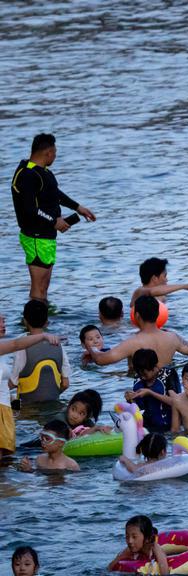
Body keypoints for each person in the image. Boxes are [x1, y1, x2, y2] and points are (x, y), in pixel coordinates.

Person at [10, 133, 96, 302]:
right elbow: (30, 209)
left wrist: (78, 207)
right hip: (35, 237)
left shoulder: (43, 172)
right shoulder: (27, 175)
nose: (55, 157)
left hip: (46, 237)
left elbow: (54, 193)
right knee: (38, 287)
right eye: (55, 153)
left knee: (44, 286)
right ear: (48, 152)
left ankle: (43, 319)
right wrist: (54, 221)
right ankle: (34, 325)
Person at [0, 312, 63, 455]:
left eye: (3, 320)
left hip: (4, 411)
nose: (3, 324)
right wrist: (43, 336)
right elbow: (16, 344)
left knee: (5, 461)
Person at [88, 295, 188, 372]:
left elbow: (101, 360)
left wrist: (93, 349)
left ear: (137, 316)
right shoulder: (172, 337)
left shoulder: (133, 342)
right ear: (158, 314)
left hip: (140, 386)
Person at [8, 299, 71, 404]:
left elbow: (13, 383)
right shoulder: (58, 344)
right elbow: (65, 384)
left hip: (27, 409)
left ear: (25, 321)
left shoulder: (22, 345)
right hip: (54, 404)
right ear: (47, 322)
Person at [129, 257, 188, 327]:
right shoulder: (139, 292)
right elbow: (152, 291)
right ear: (154, 278)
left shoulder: (162, 296)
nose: (166, 280)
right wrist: (184, 286)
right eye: (164, 276)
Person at [124, 348, 173, 432]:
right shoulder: (138, 377)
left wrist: (151, 393)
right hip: (145, 426)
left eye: (144, 374)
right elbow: (139, 409)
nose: (142, 377)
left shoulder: (168, 375)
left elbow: (175, 402)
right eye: (139, 374)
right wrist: (131, 400)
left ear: (155, 367)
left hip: (166, 426)